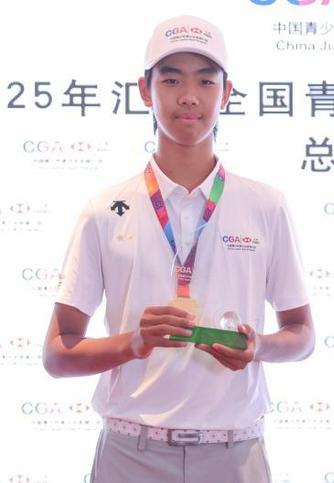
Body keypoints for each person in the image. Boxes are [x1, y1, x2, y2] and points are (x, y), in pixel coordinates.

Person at [43, 15, 314, 483]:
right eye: (171, 80)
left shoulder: (265, 205)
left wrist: (259, 346)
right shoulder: (105, 209)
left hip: (235, 453)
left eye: (205, 81)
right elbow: (57, 353)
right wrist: (132, 343)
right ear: (145, 91)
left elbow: (302, 334)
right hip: (131, 454)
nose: (189, 96)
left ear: (226, 93)